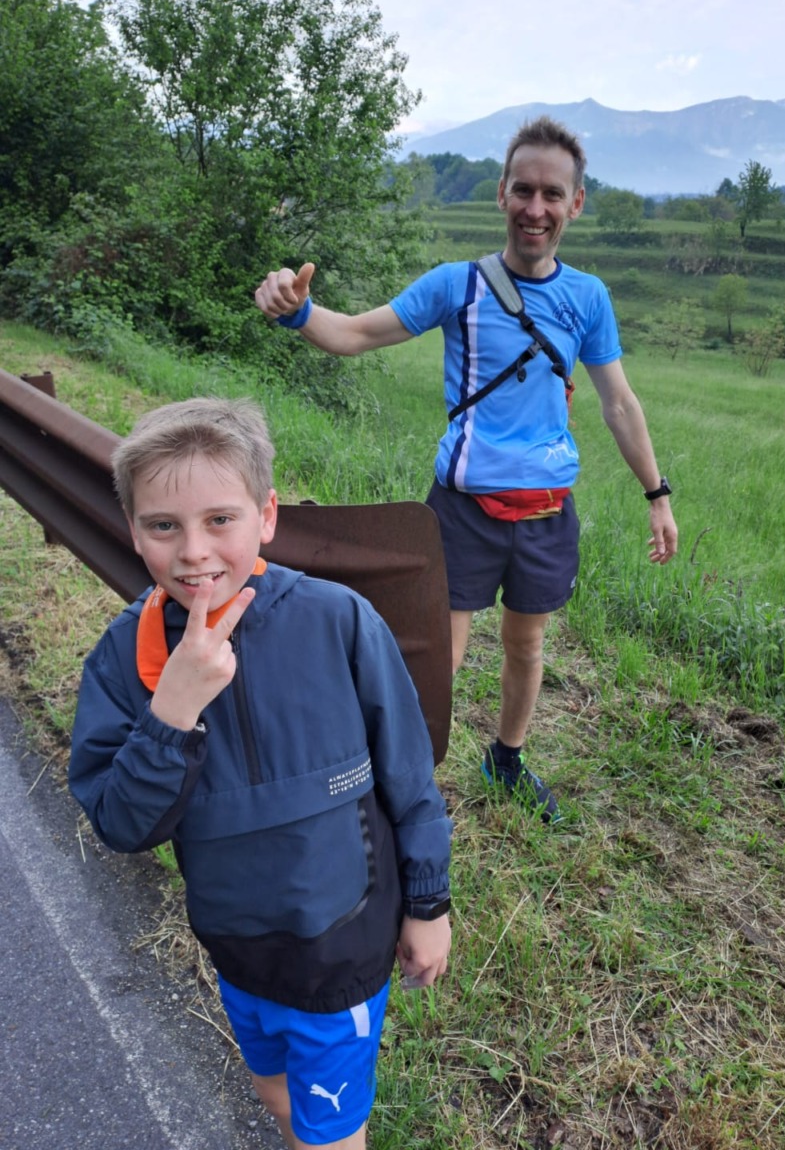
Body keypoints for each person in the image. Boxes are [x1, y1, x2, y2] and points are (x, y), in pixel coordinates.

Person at [254, 116, 678, 826]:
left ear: (575, 203)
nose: (535, 209)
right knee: (436, 658)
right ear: (501, 193)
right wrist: (297, 313)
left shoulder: (588, 298)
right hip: (460, 510)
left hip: (546, 511)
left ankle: (505, 760)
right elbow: (354, 334)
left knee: (526, 644)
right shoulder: (459, 285)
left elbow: (619, 404)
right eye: (523, 190)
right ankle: (401, 783)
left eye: (552, 194)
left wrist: (657, 494)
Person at [68, 398, 452, 1150]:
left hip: (339, 945)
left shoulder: (338, 620)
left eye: (221, 519)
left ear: (266, 516)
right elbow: (120, 824)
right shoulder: (124, 658)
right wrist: (172, 710)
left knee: (330, 1135)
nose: (193, 552)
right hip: (235, 946)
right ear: (133, 531)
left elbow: (409, 779)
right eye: (163, 526)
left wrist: (429, 902)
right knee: (271, 1090)